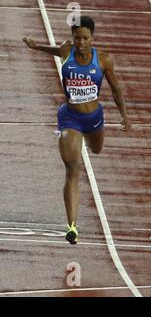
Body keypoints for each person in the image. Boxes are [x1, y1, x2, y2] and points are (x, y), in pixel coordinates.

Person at [23, 16, 131, 244]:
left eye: (85, 38)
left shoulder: (103, 60)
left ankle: (91, 139)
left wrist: (124, 116)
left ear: (92, 38)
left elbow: (116, 90)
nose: (81, 42)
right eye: (77, 38)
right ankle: (72, 226)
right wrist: (36, 46)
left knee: (97, 149)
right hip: (69, 117)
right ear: (72, 38)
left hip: (94, 118)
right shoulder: (66, 51)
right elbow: (57, 50)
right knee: (72, 168)